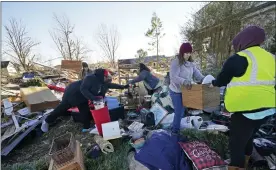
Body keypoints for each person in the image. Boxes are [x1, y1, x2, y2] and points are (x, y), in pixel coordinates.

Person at [210, 26, 275, 170]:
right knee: (248, 137)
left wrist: (213, 83)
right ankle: (246, 163)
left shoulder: (239, 58)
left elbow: (221, 80)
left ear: (242, 42)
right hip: (267, 110)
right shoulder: (271, 57)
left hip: (246, 110)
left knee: (236, 144)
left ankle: (238, 166)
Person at [41, 68, 129, 133]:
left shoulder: (103, 82)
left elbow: (112, 85)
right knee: (61, 109)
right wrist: (93, 98)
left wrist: (123, 87)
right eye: (107, 77)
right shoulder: (90, 78)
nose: (108, 79)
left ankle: (86, 127)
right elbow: (83, 89)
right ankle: (47, 121)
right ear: (102, 76)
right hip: (73, 93)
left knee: (85, 111)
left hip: (83, 98)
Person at [169, 42, 204, 135]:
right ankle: (175, 132)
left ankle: (177, 127)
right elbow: (173, 77)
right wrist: (184, 81)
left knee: (182, 111)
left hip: (186, 91)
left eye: (189, 52)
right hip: (176, 90)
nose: (188, 54)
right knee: (178, 111)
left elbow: (196, 73)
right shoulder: (176, 62)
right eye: (186, 52)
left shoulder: (191, 63)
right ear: (182, 52)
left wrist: (204, 79)